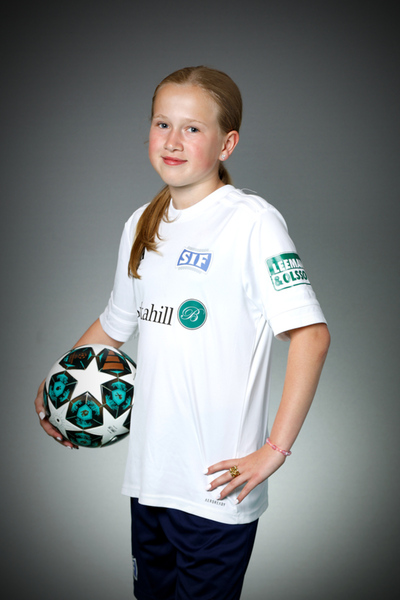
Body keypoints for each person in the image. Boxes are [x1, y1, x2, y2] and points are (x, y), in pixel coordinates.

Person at [35, 66, 330, 600]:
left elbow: (311, 336)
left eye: (193, 128)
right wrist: (62, 382)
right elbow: (115, 324)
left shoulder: (251, 222)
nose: (173, 140)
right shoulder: (140, 224)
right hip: (150, 480)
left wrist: (274, 451)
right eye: (162, 123)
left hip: (216, 489)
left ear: (227, 144)